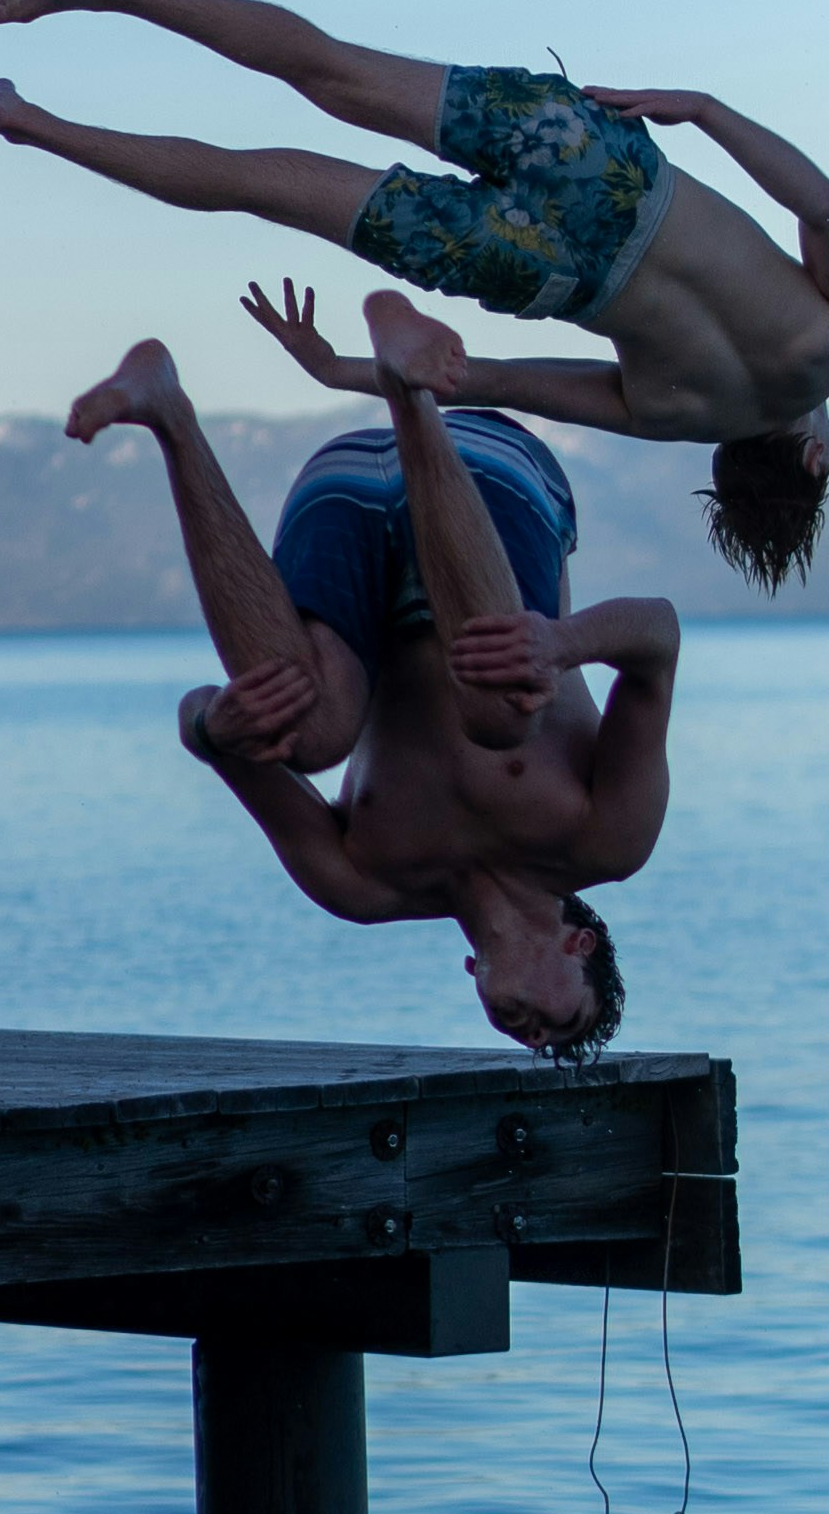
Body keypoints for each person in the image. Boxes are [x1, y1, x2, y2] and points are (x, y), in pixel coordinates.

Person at [0, 0, 829, 583]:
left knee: (334, 71)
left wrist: (704, 108)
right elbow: (484, 380)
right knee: (265, 184)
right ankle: (29, 124)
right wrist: (337, 372)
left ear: (811, 451)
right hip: (546, 272)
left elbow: (824, 207)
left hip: (607, 172)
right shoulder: (682, 415)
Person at [63, 325, 675, 1052]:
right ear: (581, 949)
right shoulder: (606, 841)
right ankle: (409, 390)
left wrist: (212, 727)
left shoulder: (364, 884)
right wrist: (559, 644)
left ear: (472, 970)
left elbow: (207, 729)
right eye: (562, 1020)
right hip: (492, 470)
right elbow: (658, 640)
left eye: (531, 1042)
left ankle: (168, 412)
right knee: (502, 712)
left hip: (345, 487)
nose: (534, 1037)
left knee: (303, 737)